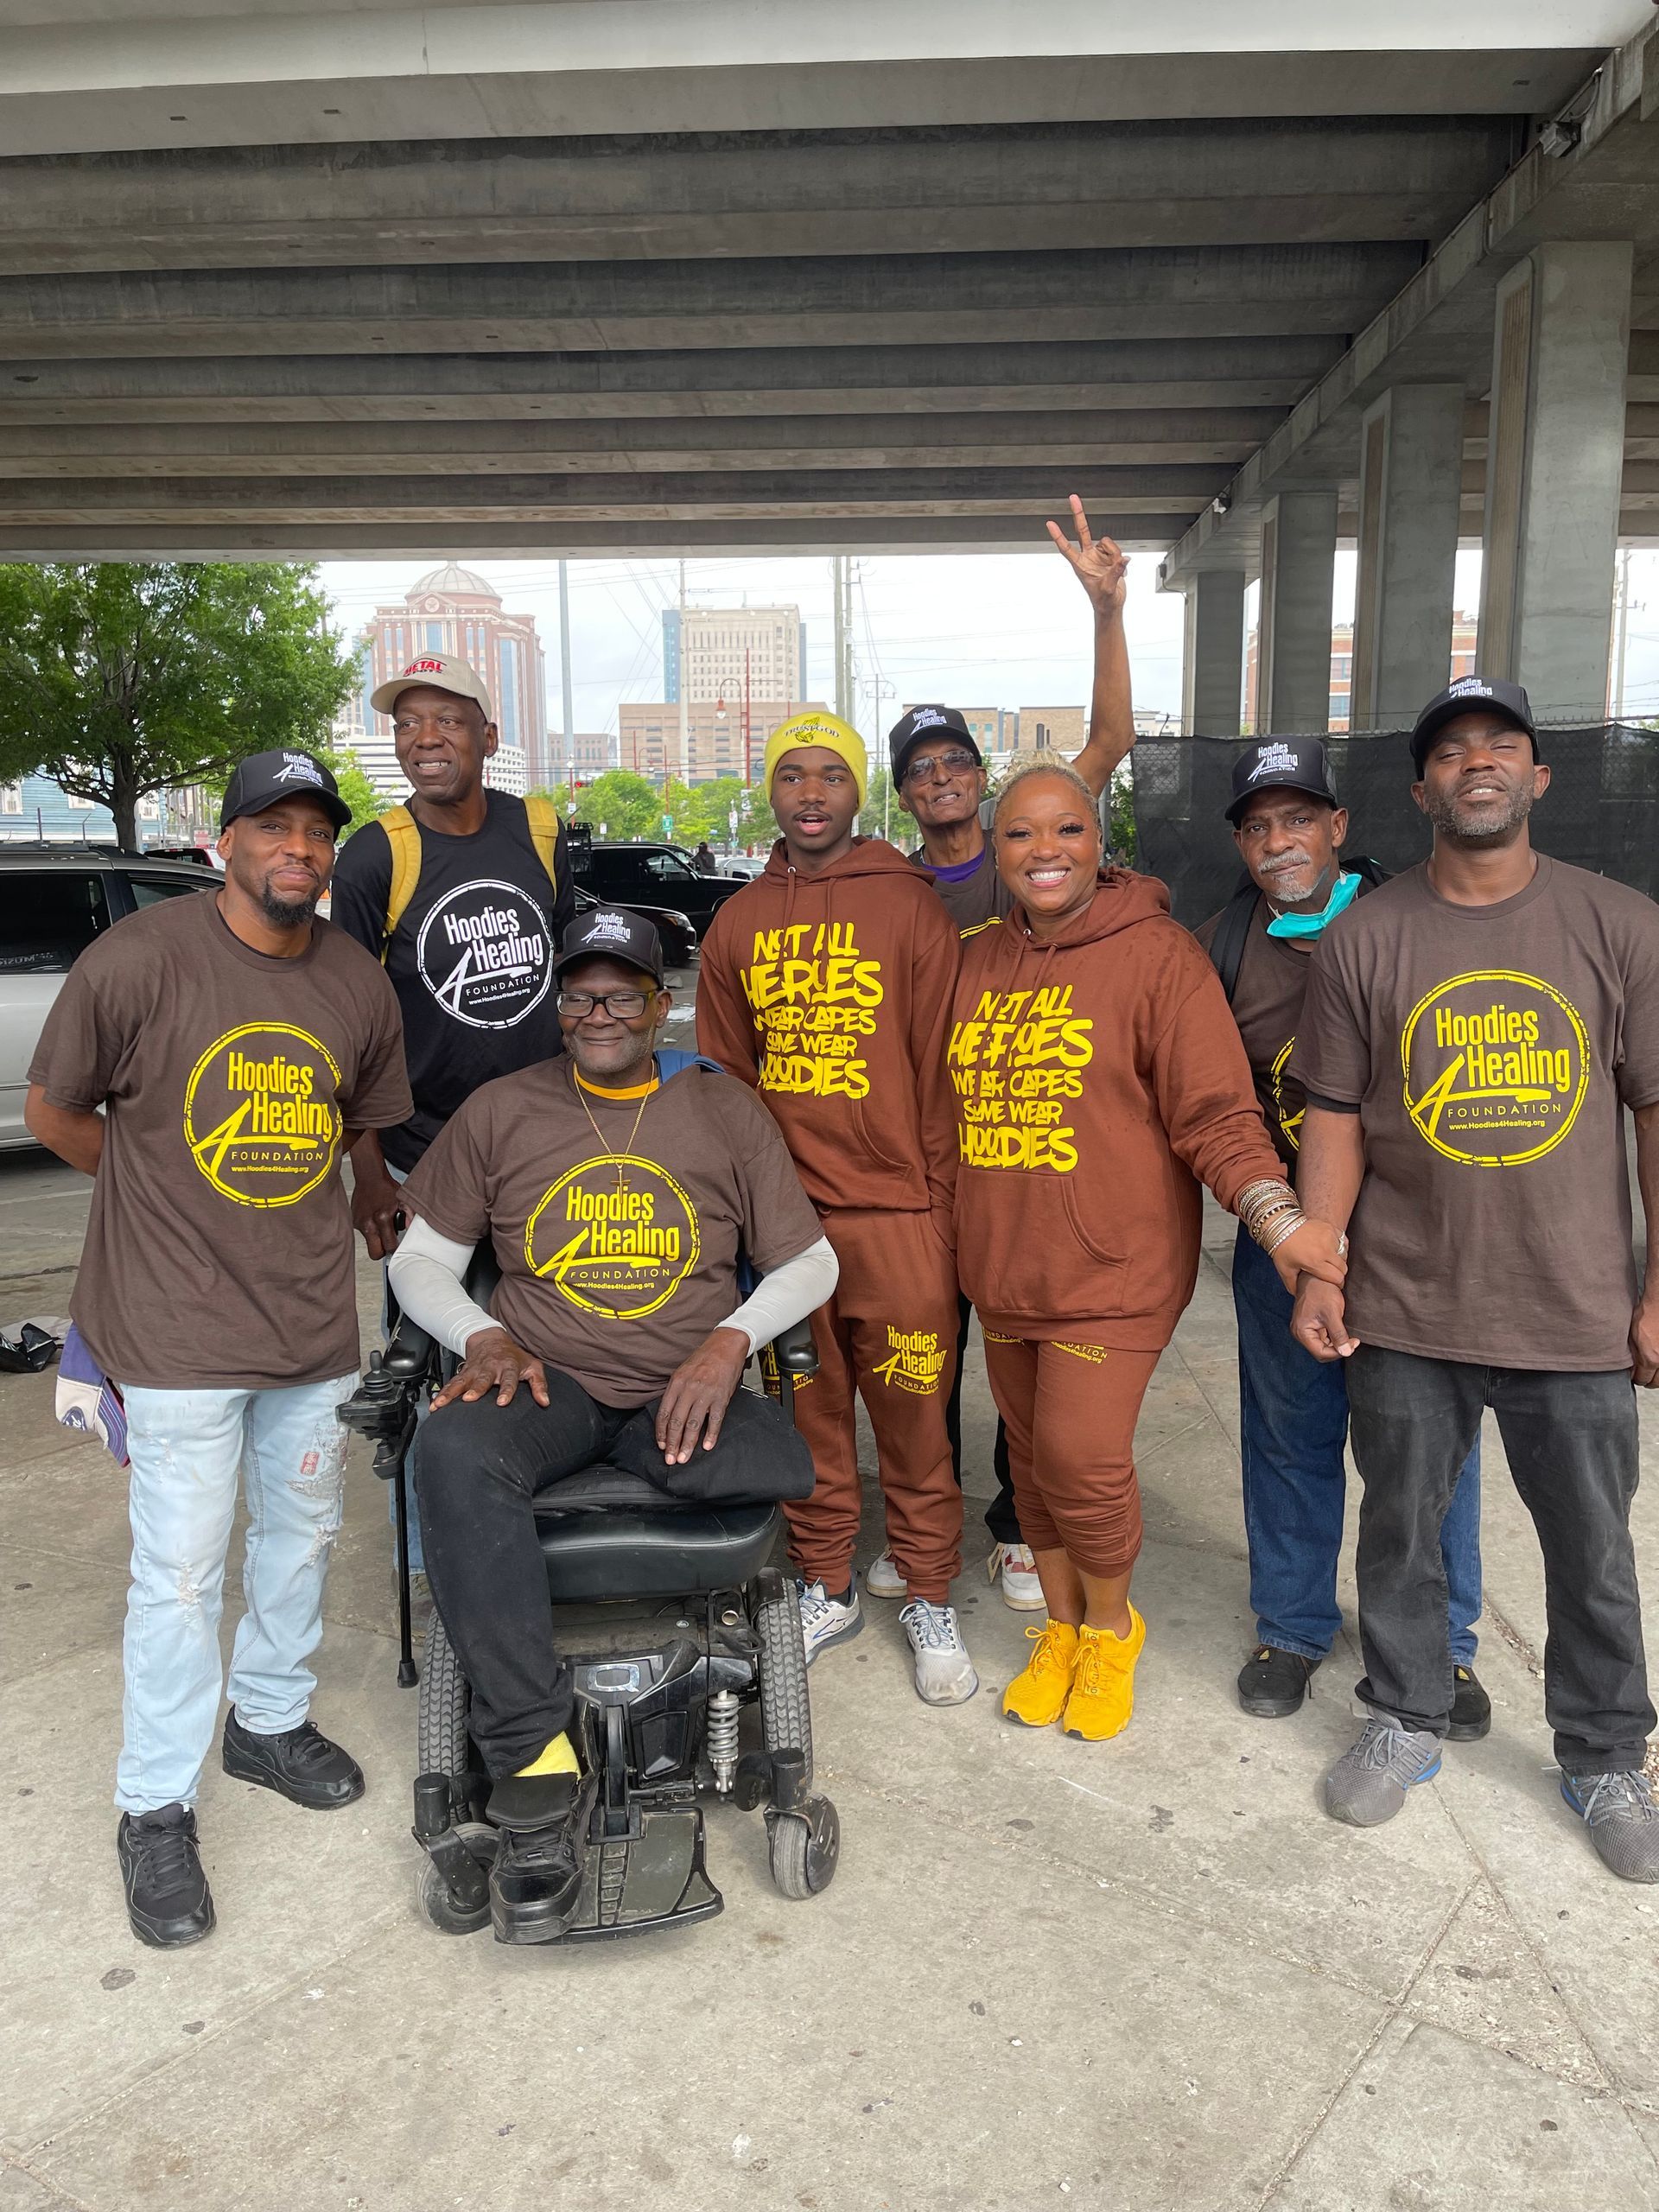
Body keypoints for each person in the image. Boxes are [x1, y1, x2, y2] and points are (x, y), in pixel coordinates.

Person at [387, 906, 836, 1942]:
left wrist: (730, 1340)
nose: (600, 1012)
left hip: (686, 1383)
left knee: (766, 1458)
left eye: (622, 994)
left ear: (659, 1004)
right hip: (551, 1386)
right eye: (581, 994)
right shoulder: (502, 1112)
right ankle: (533, 1764)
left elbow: (810, 1259)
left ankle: (685, 1687)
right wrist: (482, 1336)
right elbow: (418, 1261)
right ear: (558, 1006)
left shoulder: (724, 1111)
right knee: (450, 1447)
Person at [25, 751, 412, 1949]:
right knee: (183, 1574)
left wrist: (366, 1195)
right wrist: (156, 1191)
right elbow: (56, 1111)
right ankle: (154, 1804)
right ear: (225, 843)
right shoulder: (138, 961)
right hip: (175, 1326)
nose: (297, 848)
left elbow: (358, 1119)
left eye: (314, 831)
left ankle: (268, 1719)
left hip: (305, 1320)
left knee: (299, 1535)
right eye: (273, 827)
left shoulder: (355, 980)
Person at [1291, 677, 1659, 1881]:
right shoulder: (1368, 935)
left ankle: (1605, 1752)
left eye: (1502, 747)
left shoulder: (1620, 926)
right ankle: (1407, 1713)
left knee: (1594, 1548)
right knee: (1398, 1531)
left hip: (1578, 1306)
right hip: (1408, 1300)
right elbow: (1335, 1116)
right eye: (1453, 753)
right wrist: (1322, 1264)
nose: (1479, 765)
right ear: (1422, 788)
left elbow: (1654, 1112)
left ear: (1539, 779)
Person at [949, 760, 1344, 1742]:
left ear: (1100, 843)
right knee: (1034, 1469)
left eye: (1067, 831)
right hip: (1004, 1266)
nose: (1045, 851)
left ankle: (1113, 1629)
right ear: (995, 853)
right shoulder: (974, 960)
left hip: (1113, 1268)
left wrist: (1278, 1220)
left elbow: (1216, 1114)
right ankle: (1065, 1629)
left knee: (1082, 1461)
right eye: (1022, 835)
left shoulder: (1159, 956)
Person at [1195, 739, 1486, 1732]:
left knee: (1431, 1452)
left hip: (1414, 1245)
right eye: (1259, 825)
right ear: (1240, 842)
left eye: (1298, 819)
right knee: (1288, 1439)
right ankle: (1293, 1625)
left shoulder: (1418, 917)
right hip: (1284, 1244)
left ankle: (1443, 1647)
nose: (1280, 842)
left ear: (1339, 827)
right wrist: (1278, 1223)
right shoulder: (1222, 948)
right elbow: (1210, 1100)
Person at [883, 495, 1140, 1611]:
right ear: (903, 790)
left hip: (1034, 1140)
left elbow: (1111, 744)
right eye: (919, 766)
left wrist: (1106, 612)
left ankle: (1019, 1527)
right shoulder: (890, 884)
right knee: (935, 1349)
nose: (939, 777)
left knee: (1032, 1352)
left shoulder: (1029, 846)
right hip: (936, 1150)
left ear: (976, 775)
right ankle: (926, 1525)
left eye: (953, 761)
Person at [696, 712, 976, 1706]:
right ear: (768, 793)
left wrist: (942, 1215)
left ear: (860, 793)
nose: (811, 793)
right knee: (810, 1421)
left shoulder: (910, 907)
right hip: (788, 1230)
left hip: (899, 1218)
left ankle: (930, 1592)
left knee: (914, 1425)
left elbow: (947, 1072)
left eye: (830, 776)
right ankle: (826, 1581)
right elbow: (724, 1088)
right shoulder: (736, 922)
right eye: (791, 776)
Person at [328, 651, 575, 1600]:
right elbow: (342, 1021)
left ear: (489, 737)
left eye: (446, 721)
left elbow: (565, 977)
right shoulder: (374, 854)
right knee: (430, 1356)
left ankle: (538, 1517)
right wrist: (367, 1171)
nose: (424, 740)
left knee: (550, 1335)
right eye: (407, 724)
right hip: (422, 1158)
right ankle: (443, 1569)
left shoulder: (539, 829)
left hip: (543, 1150)